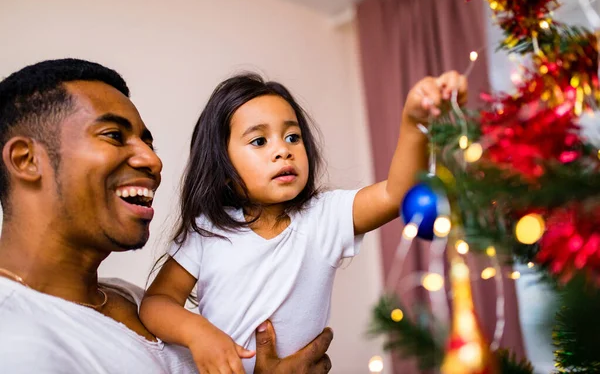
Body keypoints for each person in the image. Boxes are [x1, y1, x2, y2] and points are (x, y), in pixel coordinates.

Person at [0, 58, 333, 373]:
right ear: (26, 160)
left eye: (148, 143)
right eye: (114, 135)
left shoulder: (134, 299)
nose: (152, 161)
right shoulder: (15, 340)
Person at [140, 71, 467, 373]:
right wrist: (198, 333)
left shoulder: (323, 216)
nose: (283, 150)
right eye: (259, 141)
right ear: (223, 169)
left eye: (293, 137)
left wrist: (413, 123)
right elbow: (157, 302)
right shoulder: (208, 230)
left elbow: (396, 195)